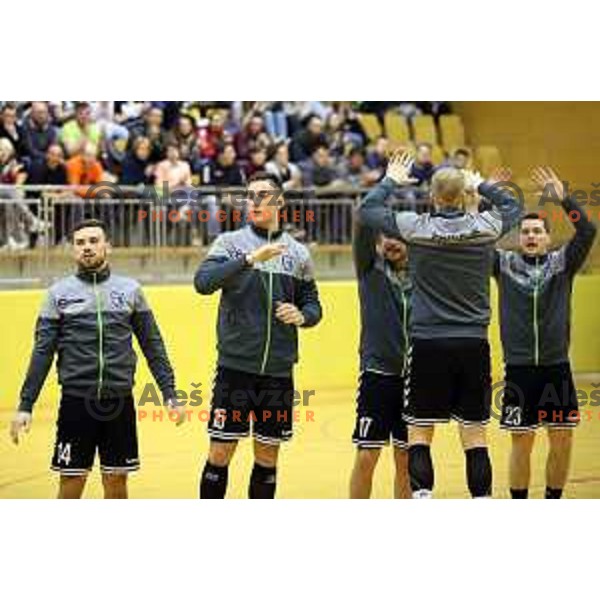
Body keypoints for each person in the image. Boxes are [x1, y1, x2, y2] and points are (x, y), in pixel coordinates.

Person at [358, 151, 521, 499]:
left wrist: (391, 180)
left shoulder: (417, 227)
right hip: (473, 344)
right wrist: (482, 184)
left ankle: (423, 498)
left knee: (419, 432)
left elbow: (368, 210)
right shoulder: (485, 226)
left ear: (431, 196)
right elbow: (513, 207)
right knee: (475, 436)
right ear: (464, 196)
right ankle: (481, 500)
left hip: (428, 343)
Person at [9, 219, 184, 499]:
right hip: (76, 403)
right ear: (73, 250)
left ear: (107, 247)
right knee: (71, 483)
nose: (87, 248)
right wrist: (25, 405)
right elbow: (42, 352)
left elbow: (152, 345)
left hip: (119, 402)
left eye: (93, 241)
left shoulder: (131, 291)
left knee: (116, 482)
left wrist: (169, 392)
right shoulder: (57, 294)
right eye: (80, 243)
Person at [195, 172, 322, 499]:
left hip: (278, 372)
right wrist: (250, 259)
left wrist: (303, 315)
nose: (254, 202)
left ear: (279, 201)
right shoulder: (229, 243)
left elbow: (313, 304)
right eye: (250, 196)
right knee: (220, 454)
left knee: (267, 458)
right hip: (235, 369)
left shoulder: (298, 253)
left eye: (263, 195)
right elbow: (203, 283)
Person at [494, 167, 597, 499]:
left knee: (562, 438)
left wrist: (564, 197)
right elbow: (476, 241)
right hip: (520, 369)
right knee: (522, 441)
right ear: (519, 237)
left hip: (556, 368)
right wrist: (489, 198)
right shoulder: (504, 263)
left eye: (538, 231)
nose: (531, 236)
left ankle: (553, 502)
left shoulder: (562, 263)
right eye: (526, 231)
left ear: (549, 238)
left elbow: (588, 230)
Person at [349, 209, 412, 499]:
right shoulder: (369, 269)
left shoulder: (424, 275)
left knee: (406, 459)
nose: (391, 242)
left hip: (415, 378)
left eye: (398, 236)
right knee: (366, 456)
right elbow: (362, 220)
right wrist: (389, 185)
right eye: (385, 235)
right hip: (377, 375)